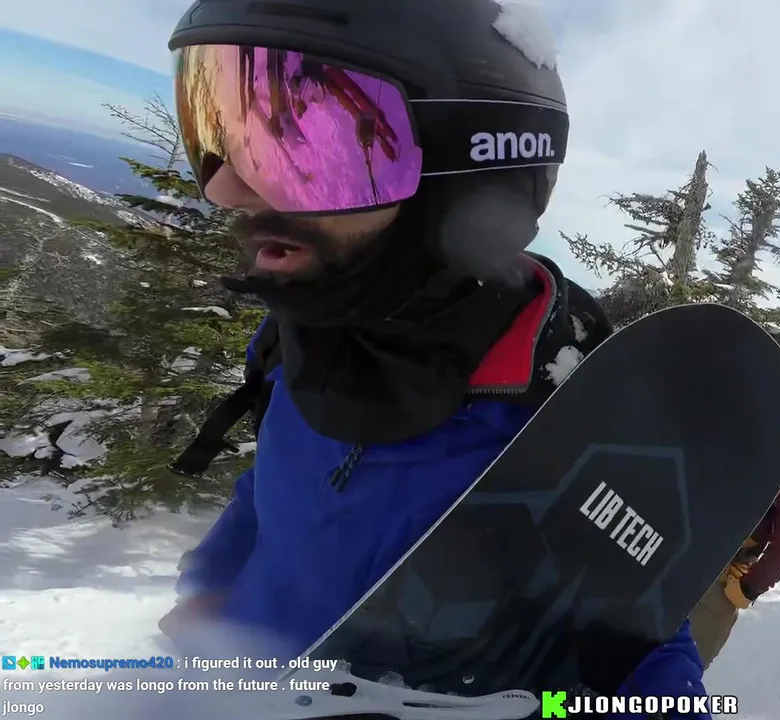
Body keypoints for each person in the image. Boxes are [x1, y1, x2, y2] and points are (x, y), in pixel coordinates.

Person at [156, 0, 708, 716]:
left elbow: (639, 634)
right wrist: (212, 591)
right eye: (223, 134)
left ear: (474, 170)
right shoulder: (302, 337)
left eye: (312, 147)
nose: (226, 188)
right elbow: (274, 490)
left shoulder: (571, 416)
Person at [687, 431, 780, 667]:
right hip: (675, 551)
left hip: (722, 570)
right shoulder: (731, 433)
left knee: (686, 658)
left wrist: (751, 585)